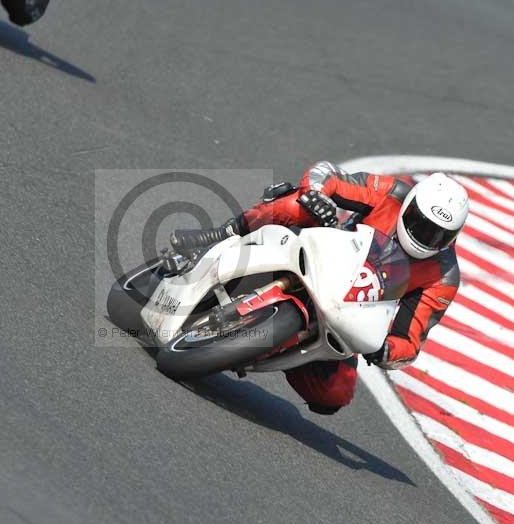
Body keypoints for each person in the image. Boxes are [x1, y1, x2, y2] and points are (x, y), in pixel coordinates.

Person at [170, 162, 469, 415]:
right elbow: (327, 174)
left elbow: (410, 340)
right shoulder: (390, 192)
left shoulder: (443, 277)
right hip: (316, 252)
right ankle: (220, 234)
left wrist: (386, 350)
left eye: (439, 235)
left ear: (453, 237)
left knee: (335, 395)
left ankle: (269, 349)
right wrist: (317, 195)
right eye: (421, 224)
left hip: (346, 314)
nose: (426, 237)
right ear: (410, 207)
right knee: (295, 203)